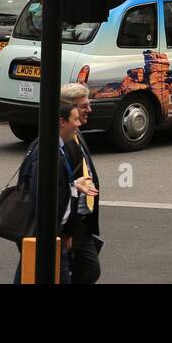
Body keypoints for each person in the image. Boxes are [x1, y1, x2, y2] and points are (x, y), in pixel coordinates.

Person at [14, 101, 96, 283]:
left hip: (49, 236)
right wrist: (57, 232)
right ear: (61, 122)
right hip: (46, 237)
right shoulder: (47, 152)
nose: (79, 124)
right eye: (75, 119)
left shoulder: (55, 148)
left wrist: (73, 184)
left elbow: (52, 185)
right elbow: (41, 193)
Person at [62, 83, 102, 284]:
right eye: (85, 106)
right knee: (86, 271)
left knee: (87, 271)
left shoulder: (76, 134)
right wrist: (67, 230)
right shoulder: (62, 142)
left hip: (81, 221)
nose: (90, 110)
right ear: (71, 107)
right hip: (69, 223)